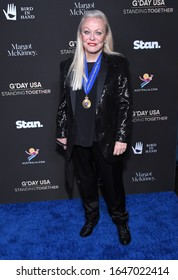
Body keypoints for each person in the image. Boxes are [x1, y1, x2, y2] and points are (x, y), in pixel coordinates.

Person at [56, 10, 131, 245]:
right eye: (87, 31)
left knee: (112, 185)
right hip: (78, 137)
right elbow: (64, 104)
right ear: (80, 34)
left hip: (106, 137)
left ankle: (120, 220)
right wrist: (61, 130)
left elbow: (125, 103)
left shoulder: (118, 63)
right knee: (86, 183)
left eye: (98, 32)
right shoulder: (68, 65)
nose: (92, 37)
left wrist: (121, 136)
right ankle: (91, 217)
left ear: (105, 35)